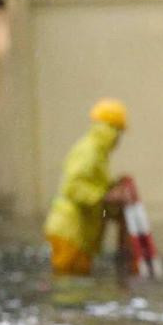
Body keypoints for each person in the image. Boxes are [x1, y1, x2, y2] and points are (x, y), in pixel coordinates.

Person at [43, 98, 134, 275]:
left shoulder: (97, 153)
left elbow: (93, 187)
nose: (119, 140)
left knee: (74, 285)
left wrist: (113, 188)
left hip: (77, 235)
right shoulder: (89, 151)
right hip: (70, 233)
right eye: (120, 133)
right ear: (112, 130)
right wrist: (106, 197)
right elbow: (73, 186)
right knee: (69, 287)